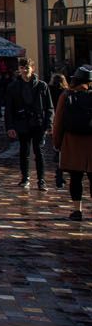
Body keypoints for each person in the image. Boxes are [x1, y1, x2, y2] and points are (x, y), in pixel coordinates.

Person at [5, 57, 54, 191]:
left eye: (27, 67)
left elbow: (49, 107)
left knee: (39, 151)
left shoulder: (41, 85)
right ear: (18, 70)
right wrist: (9, 126)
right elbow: (9, 109)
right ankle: (25, 178)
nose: (24, 70)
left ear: (32, 68)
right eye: (22, 68)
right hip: (21, 122)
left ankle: (41, 180)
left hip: (38, 123)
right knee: (24, 151)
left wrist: (49, 124)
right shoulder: (13, 86)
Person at [53, 66, 92, 221]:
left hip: (72, 141)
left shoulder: (66, 95)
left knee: (75, 178)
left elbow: (58, 121)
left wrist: (57, 142)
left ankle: (77, 210)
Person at [50, 73, 69, 190]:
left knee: (58, 149)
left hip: (56, 122)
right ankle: (61, 174)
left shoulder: (50, 90)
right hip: (65, 123)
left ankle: (59, 174)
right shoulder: (67, 92)